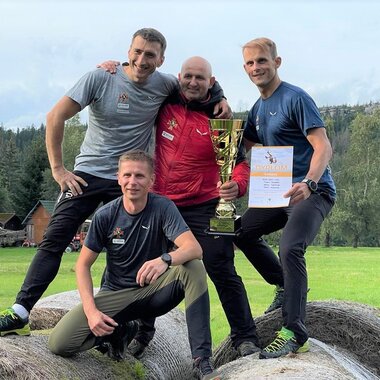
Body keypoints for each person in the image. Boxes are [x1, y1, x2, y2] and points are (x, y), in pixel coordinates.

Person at [0, 27, 229, 337]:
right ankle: (21, 310)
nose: (141, 59)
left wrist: (221, 97)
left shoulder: (165, 84)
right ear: (128, 50)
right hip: (86, 174)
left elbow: (196, 83)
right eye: (137, 51)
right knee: (55, 238)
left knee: (126, 249)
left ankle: (124, 319)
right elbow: (55, 116)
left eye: (150, 54)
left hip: (128, 179)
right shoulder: (100, 77)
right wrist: (58, 169)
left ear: (161, 60)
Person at [129, 56, 267, 359]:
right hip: (160, 205)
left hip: (206, 208)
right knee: (147, 267)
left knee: (222, 267)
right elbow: (140, 70)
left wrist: (238, 186)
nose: (193, 82)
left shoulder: (223, 120)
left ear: (211, 82)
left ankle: (245, 337)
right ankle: (142, 332)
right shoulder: (165, 103)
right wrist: (113, 65)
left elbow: (240, 165)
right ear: (180, 77)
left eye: (200, 78)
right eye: (188, 76)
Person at [48, 150, 221, 380]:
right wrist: (91, 313)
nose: (132, 182)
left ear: (151, 181)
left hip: (153, 292)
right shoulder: (106, 215)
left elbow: (194, 249)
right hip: (116, 296)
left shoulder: (163, 207)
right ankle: (120, 330)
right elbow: (82, 266)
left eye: (139, 176)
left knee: (194, 267)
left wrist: (165, 260)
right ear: (118, 178)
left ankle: (202, 361)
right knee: (59, 343)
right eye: (127, 175)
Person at [234, 37, 336, 359]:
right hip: (277, 193)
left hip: (312, 192)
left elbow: (324, 147)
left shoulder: (295, 98)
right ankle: (285, 285)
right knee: (240, 232)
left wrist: (308, 182)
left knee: (291, 247)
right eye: (250, 63)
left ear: (276, 62)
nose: (256, 68)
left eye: (262, 61)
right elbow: (246, 143)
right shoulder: (257, 109)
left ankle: (294, 330)